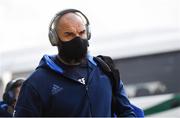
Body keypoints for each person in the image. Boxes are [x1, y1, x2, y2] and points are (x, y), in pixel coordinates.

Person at [14, 9, 141, 117]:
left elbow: (126, 112)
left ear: (88, 33)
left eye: (82, 33)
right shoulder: (36, 83)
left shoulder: (105, 69)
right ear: (55, 39)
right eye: (69, 34)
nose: (77, 39)